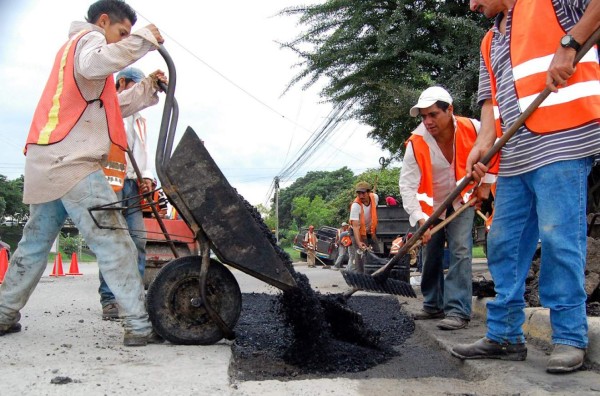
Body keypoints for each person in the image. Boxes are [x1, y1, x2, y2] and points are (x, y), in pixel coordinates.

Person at [0, 0, 165, 347]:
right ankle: (137, 324)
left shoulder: (73, 56)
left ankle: (3, 313)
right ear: (103, 22)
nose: (122, 41)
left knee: (33, 245)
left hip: (47, 160)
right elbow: (97, 63)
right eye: (121, 33)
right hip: (72, 160)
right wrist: (145, 40)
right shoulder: (88, 41)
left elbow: (112, 108)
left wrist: (148, 88)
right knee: (114, 241)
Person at [451, 0, 600, 373]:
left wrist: (569, 44)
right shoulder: (489, 40)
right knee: (504, 242)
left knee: (558, 238)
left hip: (562, 140)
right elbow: (490, 100)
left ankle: (568, 337)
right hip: (516, 153)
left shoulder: (552, 3)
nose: (471, 4)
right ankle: (504, 335)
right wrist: (483, 143)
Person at [399, 86, 496, 330]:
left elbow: (492, 153)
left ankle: (457, 311)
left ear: (449, 110)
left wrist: (485, 186)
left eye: (433, 114)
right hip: (431, 206)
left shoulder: (472, 128)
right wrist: (420, 219)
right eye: (423, 116)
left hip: (462, 198)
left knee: (461, 249)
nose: (428, 121)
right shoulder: (416, 142)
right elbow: (407, 185)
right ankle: (433, 304)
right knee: (430, 252)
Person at [99, 67, 166, 320]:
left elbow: (142, 153)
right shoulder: (109, 105)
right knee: (112, 242)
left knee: (137, 241)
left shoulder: (139, 119)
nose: (140, 96)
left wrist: (146, 177)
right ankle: (109, 300)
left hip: (131, 184)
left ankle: (134, 297)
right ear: (123, 83)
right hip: (109, 182)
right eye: (137, 89)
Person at [349, 181, 379, 274]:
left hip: (370, 230)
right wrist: (359, 242)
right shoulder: (355, 205)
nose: (361, 196)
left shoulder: (375, 197)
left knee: (376, 251)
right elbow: (355, 226)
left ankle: (376, 274)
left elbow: (373, 213)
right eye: (359, 193)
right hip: (356, 231)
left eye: (363, 193)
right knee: (360, 253)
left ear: (369, 192)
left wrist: (370, 228)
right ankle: (359, 279)